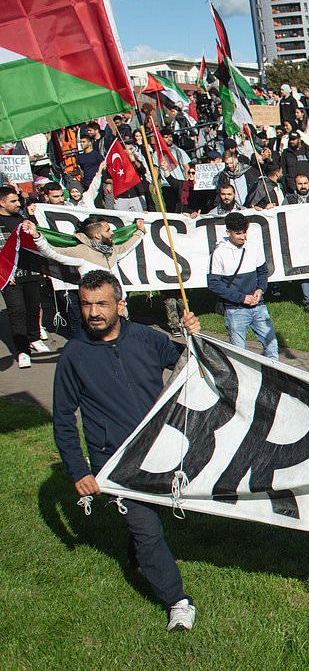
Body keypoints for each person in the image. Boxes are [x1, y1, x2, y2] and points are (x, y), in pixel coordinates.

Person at [52, 270, 201, 631]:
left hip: (160, 449)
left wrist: (194, 337)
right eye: (86, 305)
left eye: (101, 303)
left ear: (120, 304)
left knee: (149, 520)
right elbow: (62, 418)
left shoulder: (146, 338)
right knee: (147, 529)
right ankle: (177, 602)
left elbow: (191, 363)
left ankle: (135, 554)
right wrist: (79, 470)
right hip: (114, 461)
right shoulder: (73, 355)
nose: (93, 312)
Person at [206, 212, 278, 360]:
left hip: (258, 306)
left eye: (245, 232)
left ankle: (274, 378)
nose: (243, 237)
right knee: (239, 354)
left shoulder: (253, 247)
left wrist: (260, 289)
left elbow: (262, 271)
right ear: (228, 232)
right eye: (238, 233)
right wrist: (241, 298)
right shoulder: (219, 253)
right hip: (234, 310)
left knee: (272, 346)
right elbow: (213, 284)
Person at [1, 187, 45, 368]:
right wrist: (3, 273)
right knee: (17, 311)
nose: (18, 203)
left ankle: (34, 337)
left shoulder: (22, 219)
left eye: (18, 200)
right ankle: (22, 350)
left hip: (31, 271)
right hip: (10, 275)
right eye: (13, 201)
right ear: (1, 203)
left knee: (33, 307)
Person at [23, 215, 145, 278]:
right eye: (108, 230)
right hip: (97, 311)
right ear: (97, 235)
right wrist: (36, 236)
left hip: (119, 307)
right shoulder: (81, 252)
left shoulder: (111, 250)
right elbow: (52, 252)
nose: (112, 233)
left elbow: (126, 247)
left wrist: (139, 231)